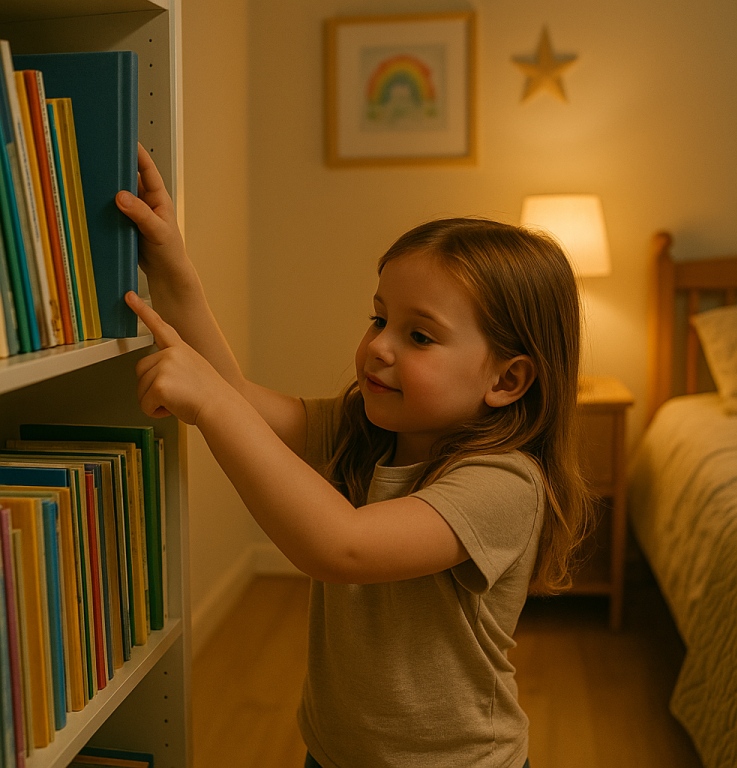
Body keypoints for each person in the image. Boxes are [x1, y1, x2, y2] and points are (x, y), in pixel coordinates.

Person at [116, 144, 591, 768]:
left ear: (506, 380)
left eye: (418, 335)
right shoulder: (362, 430)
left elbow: (342, 547)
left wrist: (210, 406)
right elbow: (234, 394)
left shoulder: (506, 482)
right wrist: (174, 271)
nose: (378, 348)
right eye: (378, 318)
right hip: (335, 752)